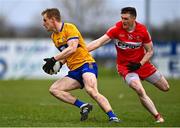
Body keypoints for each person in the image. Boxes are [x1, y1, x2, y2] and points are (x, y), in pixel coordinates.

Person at [87, 7, 170, 123]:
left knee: (165, 87)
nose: (123, 21)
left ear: (134, 19)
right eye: (122, 18)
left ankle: (156, 113)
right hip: (125, 67)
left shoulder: (142, 31)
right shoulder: (116, 29)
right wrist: (82, 50)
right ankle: (158, 117)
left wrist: (140, 64)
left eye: (126, 18)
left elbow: (150, 51)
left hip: (142, 65)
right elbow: (99, 42)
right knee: (139, 89)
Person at [41, 8, 120, 122]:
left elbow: (72, 48)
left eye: (45, 20)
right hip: (74, 71)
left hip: (86, 65)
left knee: (91, 90)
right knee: (54, 89)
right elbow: (67, 54)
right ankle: (83, 106)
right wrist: (60, 64)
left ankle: (113, 117)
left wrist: (54, 59)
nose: (43, 24)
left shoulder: (69, 28)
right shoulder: (54, 37)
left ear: (53, 19)